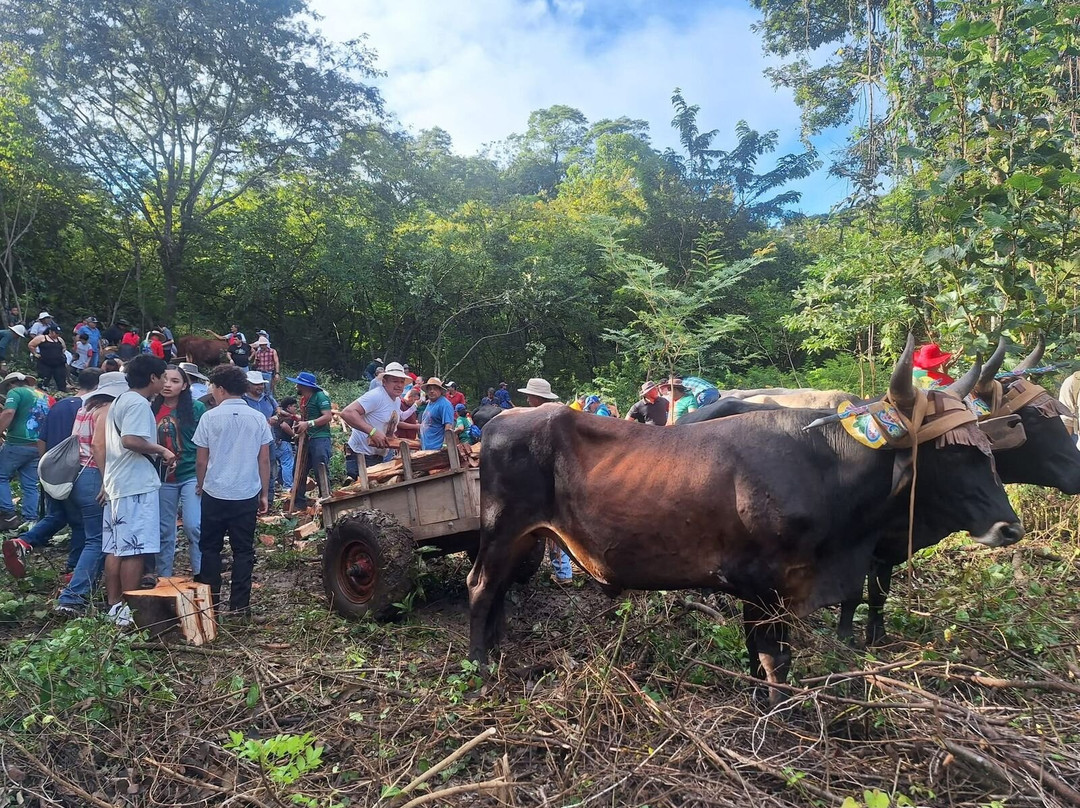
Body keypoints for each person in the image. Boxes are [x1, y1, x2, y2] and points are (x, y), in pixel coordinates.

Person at [2, 369, 101, 579]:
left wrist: (46, 468)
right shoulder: (93, 408)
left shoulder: (59, 405)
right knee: (80, 523)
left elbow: (42, 439)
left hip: (53, 471)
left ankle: (23, 541)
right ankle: (74, 570)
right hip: (80, 472)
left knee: (57, 514)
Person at [193, 364, 272, 616]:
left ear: (221, 388)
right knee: (243, 551)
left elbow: (201, 460)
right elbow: (264, 460)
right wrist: (263, 493)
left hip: (215, 492)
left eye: (213, 388)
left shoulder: (209, 417)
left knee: (210, 549)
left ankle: (210, 606)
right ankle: (240, 607)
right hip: (246, 492)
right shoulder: (257, 418)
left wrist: (202, 483)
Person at [102, 355, 173, 626]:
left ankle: (114, 605)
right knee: (134, 548)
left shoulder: (119, 400)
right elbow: (130, 440)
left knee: (116, 547)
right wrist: (162, 449)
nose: (165, 382)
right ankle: (127, 610)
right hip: (135, 484)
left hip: (117, 482)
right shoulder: (138, 404)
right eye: (163, 377)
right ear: (152, 378)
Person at [53, 372, 128, 614]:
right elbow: (98, 445)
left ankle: (83, 589)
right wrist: (107, 480)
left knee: (89, 536)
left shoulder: (86, 407)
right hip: (94, 474)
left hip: (77, 475)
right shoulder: (107, 409)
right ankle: (73, 597)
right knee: (98, 540)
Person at [152, 364, 206, 577]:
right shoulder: (151, 408)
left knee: (194, 526)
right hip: (162, 477)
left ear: (185, 386)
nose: (168, 384)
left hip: (191, 473)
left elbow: (206, 443)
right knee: (165, 530)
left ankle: (201, 575)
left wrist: (205, 473)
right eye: (165, 379)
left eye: (175, 381)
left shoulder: (196, 409)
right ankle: (163, 576)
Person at [518, 378, 572, 583]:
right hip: (562, 476)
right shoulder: (558, 413)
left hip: (550, 480)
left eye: (529, 395)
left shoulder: (540, 418)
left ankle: (563, 573)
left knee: (554, 527)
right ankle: (566, 570)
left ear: (536, 397)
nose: (527, 398)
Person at [339, 361, 411, 475]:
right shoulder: (376, 395)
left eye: (402, 382)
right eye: (395, 381)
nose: (399, 385)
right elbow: (347, 413)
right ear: (384, 381)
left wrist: (394, 440)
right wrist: (372, 432)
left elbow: (387, 425)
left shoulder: (397, 400)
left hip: (377, 455)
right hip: (361, 454)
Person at [0, 372, 49, 531]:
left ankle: (8, 514)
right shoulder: (43, 396)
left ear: (10, 384)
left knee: (1, 475)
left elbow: (8, 413)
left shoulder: (15, 392)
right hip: (38, 444)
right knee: (30, 484)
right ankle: (31, 520)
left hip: (18, 442)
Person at [287, 371, 333, 511]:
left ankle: (326, 502)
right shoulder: (304, 400)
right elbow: (304, 418)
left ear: (304, 386)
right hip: (306, 439)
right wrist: (300, 425)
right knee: (299, 470)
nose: (296, 387)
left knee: (320, 468)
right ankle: (299, 503)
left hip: (320, 438)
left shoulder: (320, 396)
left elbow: (327, 416)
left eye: (298, 384)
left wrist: (308, 424)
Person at [243, 370, 279, 499]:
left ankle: (268, 498)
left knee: (269, 467)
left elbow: (278, 411)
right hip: (249, 442)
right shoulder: (242, 400)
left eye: (261, 384)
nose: (260, 387)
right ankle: (253, 498)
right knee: (251, 468)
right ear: (247, 385)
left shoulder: (268, 398)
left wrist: (275, 417)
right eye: (256, 384)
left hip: (269, 440)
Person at [420, 377, 456, 451]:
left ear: (440, 390)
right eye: (429, 389)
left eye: (435, 388)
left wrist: (445, 444)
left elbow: (449, 426)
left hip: (437, 449)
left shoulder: (445, 405)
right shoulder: (430, 403)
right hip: (426, 447)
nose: (432, 391)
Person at [29, 324, 68, 392]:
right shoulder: (42, 338)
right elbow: (31, 345)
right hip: (45, 363)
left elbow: (64, 347)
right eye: (56, 333)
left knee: (61, 380)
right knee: (44, 380)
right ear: (51, 331)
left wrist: (61, 353)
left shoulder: (59, 339)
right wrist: (35, 353)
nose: (57, 335)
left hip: (58, 364)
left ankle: (62, 392)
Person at [274, 397, 299, 490]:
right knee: (287, 464)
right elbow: (284, 426)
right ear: (288, 407)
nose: (295, 409)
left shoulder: (278, 414)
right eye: (294, 406)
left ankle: (278, 482)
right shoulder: (286, 416)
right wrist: (294, 435)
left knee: (280, 464)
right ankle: (288, 486)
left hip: (276, 442)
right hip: (283, 442)